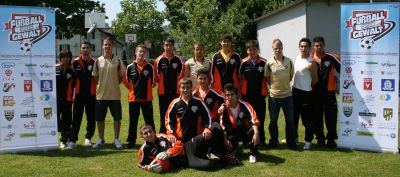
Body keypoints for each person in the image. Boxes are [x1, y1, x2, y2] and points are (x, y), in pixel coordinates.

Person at [165, 78, 226, 169]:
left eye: (188, 87)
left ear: (191, 88)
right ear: (179, 89)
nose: (185, 90)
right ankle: (199, 157)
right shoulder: (174, 103)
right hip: (183, 143)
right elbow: (168, 120)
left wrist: (206, 128)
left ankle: (221, 154)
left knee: (216, 127)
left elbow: (207, 116)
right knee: (204, 165)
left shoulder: (198, 102)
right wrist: (171, 134)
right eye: (183, 88)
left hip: (197, 139)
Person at [92, 37, 125, 149]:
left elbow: (121, 77)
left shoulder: (119, 61)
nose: (107, 46)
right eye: (105, 44)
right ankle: (101, 139)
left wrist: (113, 84)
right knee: (100, 119)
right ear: (102, 46)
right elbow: (96, 77)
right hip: (101, 95)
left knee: (117, 118)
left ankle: (116, 139)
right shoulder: (97, 61)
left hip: (115, 95)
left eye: (109, 44)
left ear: (113, 46)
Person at [265, 39, 297, 149]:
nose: (277, 50)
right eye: (275, 48)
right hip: (274, 97)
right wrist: (275, 87)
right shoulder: (269, 63)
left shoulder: (289, 61)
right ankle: (274, 141)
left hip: (287, 96)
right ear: (272, 49)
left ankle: (291, 143)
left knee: (290, 121)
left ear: (282, 48)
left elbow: (290, 76)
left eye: (279, 48)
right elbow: (267, 78)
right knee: (273, 121)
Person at [310, 36, 341, 148]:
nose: (319, 48)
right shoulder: (309, 59)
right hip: (314, 94)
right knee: (316, 117)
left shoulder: (332, 57)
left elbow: (345, 70)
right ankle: (320, 139)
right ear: (313, 46)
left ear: (324, 45)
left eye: (321, 45)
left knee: (331, 117)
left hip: (329, 93)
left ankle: (331, 139)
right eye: (316, 45)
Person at [123, 44, 156, 149]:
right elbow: (126, 82)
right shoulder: (129, 67)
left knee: (149, 121)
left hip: (147, 99)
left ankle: (154, 140)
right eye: (139, 51)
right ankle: (131, 141)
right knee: (133, 121)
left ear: (145, 53)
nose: (141, 53)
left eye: (143, 52)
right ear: (135, 53)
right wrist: (133, 90)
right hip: (133, 99)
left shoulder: (149, 67)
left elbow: (154, 82)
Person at [218, 83, 260, 163]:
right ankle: (233, 150)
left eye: (232, 94)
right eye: (227, 95)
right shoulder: (224, 108)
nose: (230, 97)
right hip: (232, 134)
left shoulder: (245, 105)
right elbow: (222, 125)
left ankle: (253, 153)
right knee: (228, 141)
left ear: (236, 95)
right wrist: (225, 139)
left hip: (244, 131)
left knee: (254, 131)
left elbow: (254, 119)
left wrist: (256, 133)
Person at [66, 41, 96, 149]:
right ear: (80, 49)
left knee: (91, 118)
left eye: (87, 48)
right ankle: (72, 140)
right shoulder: (75, 63)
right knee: (76, 118)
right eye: (83, 48)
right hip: (78, 95)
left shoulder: (94, 62)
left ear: (90, 49)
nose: (85, 49)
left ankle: (88, 139)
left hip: (91, 94)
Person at [239, 40, 268, 146]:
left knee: (261, 118)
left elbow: (269, 78)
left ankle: (262, 140)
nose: (252, 51)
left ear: (257, 50)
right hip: (247, 96)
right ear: (247, 51)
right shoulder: (243, 63)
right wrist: (239, 94)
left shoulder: (264, 62)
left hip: (260, 96)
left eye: (254, 49)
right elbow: (238, 80)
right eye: (250, 49)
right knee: (247, 119)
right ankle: (248, 140)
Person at [154, 37, 184, 133]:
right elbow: (156, 76)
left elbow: (181, 75)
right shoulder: (158, 60)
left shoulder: (178, 60)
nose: (168, 47)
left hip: (176, 91)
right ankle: (163, 131)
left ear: (173, 46)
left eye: (170, 45)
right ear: (163, 46)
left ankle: (176, 130)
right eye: (166, 45)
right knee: (163, 112)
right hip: (163, 92)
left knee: (176, 111)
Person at [292, 38, 318, 150]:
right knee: (294, 117)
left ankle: (308, 141)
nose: (303, 48)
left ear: (309, 47)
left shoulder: (311, 62)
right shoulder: (297, 58)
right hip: (294, 91)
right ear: (299, 47)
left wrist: (307, 87)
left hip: (305, 94)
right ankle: (295, 138)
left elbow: (315, 80)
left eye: (305, 46)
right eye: (301, 46)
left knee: (306, 119)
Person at [56, 50, 75, 149]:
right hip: (55, 101)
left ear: (70, 58)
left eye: (67, 57)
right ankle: (66, 131)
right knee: (55, 120)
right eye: (63, 57)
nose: (65, 59)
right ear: (60, 58)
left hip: (67, 101)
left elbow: (76, 86)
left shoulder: (72, 71)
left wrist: (73, 97)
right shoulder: (55, 69)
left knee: (67, 120)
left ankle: (63, 140)